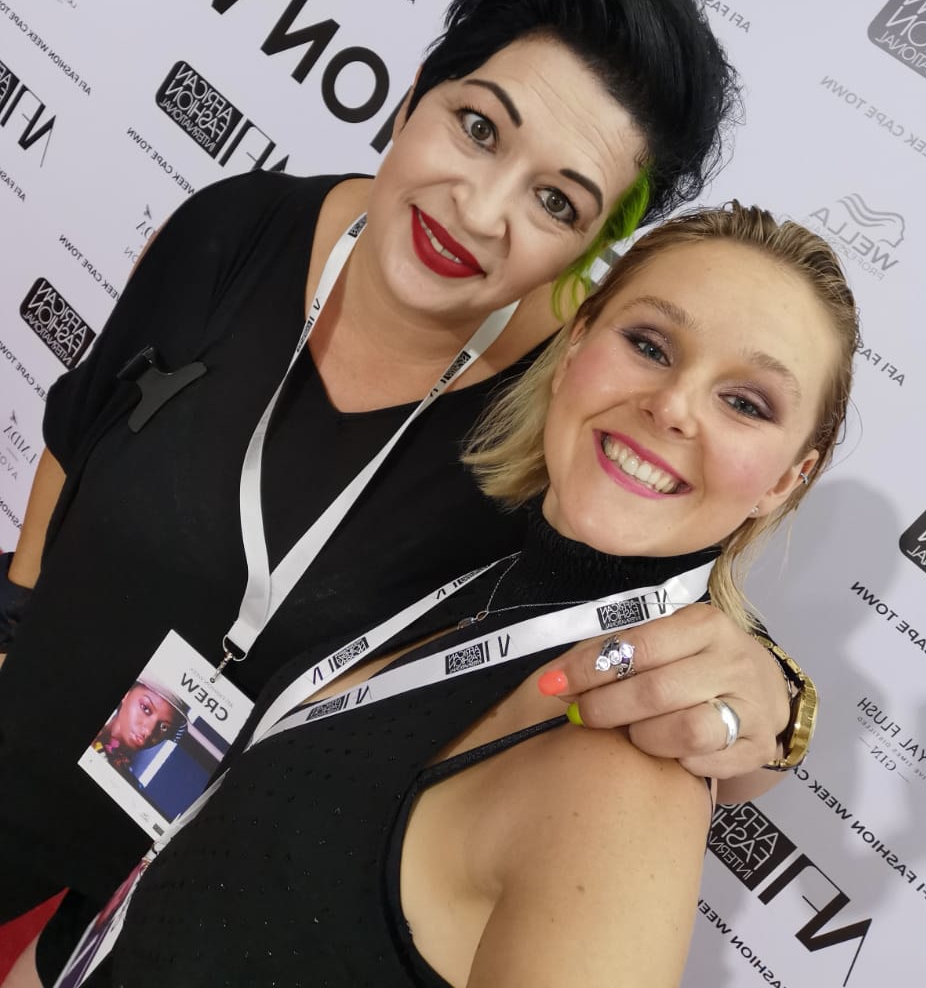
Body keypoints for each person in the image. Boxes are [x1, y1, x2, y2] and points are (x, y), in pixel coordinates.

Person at [0, 0, 799, 985]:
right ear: (416, 93)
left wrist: (781, 708)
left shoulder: (565, 421)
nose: (481, 210)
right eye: (478, 127)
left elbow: (670, 638)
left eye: (557, 201)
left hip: (151, 903)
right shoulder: (235, 229)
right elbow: (78, 434)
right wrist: (15, 617)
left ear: (589, 252)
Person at [56, 202, 857, 987]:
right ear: (576, 342)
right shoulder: (484, 567)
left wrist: (786, 710)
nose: (672, 407)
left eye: (746, 403)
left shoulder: (625, 776)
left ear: (786, 480)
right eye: (649, 344)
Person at [90, 681, 187, 781]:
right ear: (126, 694)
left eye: (164, 727)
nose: (149, 731)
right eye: (145, 708)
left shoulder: (127, 782)